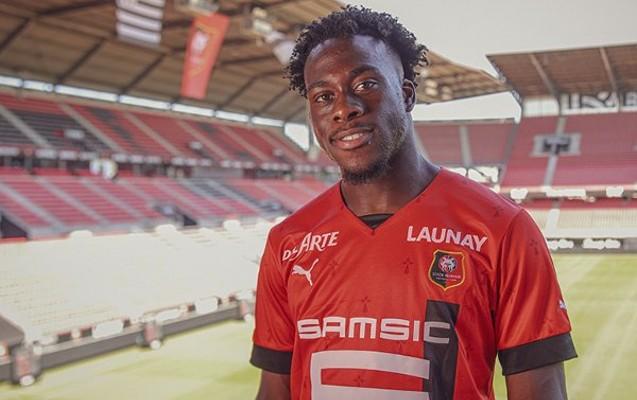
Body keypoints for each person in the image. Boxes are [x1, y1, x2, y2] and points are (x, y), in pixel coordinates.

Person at [250, 5, 576, 400]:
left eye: (366, 84)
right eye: (323, 96)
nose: (344, 108)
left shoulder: (501, 229)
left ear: (406, 94)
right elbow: (275, 390)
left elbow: (540, 392)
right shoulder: (288, 242)